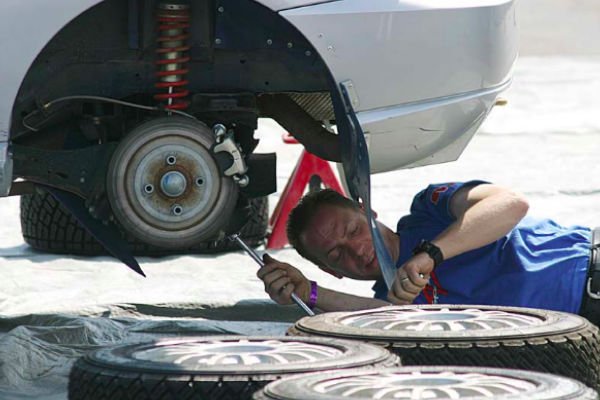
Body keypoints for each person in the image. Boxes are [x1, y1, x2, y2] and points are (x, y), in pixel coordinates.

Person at [257, 181, 600, 325]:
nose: (357, 249)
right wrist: (309, 293)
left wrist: (432, 254)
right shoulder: (387, 310)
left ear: (369, 212)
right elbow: (389, 320)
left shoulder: (428, 209)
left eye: (354, 230)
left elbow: (510, 204)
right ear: (334, 273)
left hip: (589, 267)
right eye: (336, 255)